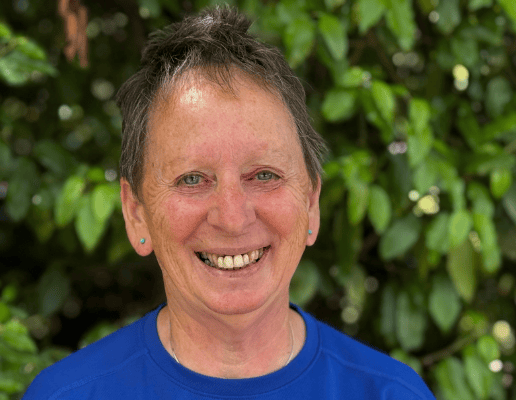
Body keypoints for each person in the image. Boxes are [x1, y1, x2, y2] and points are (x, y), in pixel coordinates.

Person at [23, 6, 435, 399]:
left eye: (265, 175)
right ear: (137, 213)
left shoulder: (392, 394)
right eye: (193, 179)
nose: (233, 218)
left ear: (311, 202)